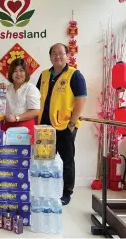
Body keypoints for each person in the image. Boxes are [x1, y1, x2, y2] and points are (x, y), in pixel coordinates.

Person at [36, 43, 87, 205]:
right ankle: (47, 189)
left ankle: (66, 192)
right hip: (44, 127)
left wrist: (72, 123)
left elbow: (81, 99)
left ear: (67, 56)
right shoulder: (44, 75)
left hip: (64, 126)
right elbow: (36, 96)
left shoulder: (74, 75)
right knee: (45, 160)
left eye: (61, 53)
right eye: (54, 53)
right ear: (50, 56)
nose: (57, 56)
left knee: (67, 160)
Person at [0, 58, 41, 143]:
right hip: (6, 128)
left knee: (24, 154)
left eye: (21, 70)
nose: (18, 74)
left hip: (24, 130)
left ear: (26, 72)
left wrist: (16, 118)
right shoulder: (7, 88)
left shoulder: (31, 89)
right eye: (15, 71)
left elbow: (36, 111)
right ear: (11, 73)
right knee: (6, 154)